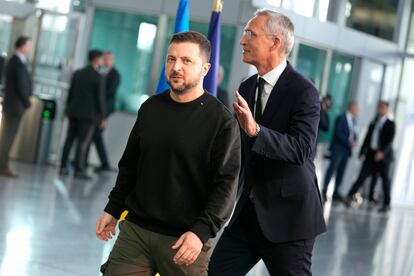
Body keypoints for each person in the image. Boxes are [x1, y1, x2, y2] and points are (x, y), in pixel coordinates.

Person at [95, 31, 241, 276]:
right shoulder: (151, 108)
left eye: (186, 61)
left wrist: (200, 232)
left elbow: (226, 186)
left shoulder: (222, 122)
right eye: (171, 59)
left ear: (205, 69)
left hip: (186, 239)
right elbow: (130, 165)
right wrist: (113, 208)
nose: (176, 67)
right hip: (136, 231)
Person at [209, 9, 326, 275]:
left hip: (289, 221)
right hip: (248, 215)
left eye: (250, 33)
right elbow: (240, 149)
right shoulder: (248, 87)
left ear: (275, 42)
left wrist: (256, 130)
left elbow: (302, 150)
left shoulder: (304, 91)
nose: (242, 40)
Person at [59, 49, 105, 180]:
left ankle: (63, 166)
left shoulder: (78, 73)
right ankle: (79, 170)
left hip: (73, 112)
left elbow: (71, 93)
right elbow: (100, 99)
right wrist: (102, 117)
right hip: (88, 115)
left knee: (69, 139)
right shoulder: (98, 77)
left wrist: (67, 109)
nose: (102, 62)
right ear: (96, 60)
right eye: (101, 59)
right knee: (83, 142)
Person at [345, 101, 396, 212]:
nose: (380, 109)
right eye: (379, 107)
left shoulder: (390, 124)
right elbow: (367, 139)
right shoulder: (373, 122)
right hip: (371, 155)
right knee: (362, 176)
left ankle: (386, 204)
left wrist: (382, 152)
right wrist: (362, 153)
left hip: (383, 157)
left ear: (387, 109)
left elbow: (390, 141)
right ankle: (349, 197)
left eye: (382, 108)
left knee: (385, 180)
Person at [0, 36, 33, 178]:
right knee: (7, 137)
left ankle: (3, 165)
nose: (30, 48)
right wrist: (27, 101)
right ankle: (3, 166)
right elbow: (21, 85)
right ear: (22, 46)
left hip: (14, 105)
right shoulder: (16, 62)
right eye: (29, 46)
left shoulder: (18, 62)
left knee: (7, 137)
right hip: (14, 106)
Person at [90, 51, 121, 172]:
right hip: (97, 108)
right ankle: (104, 164)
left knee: (96, 134)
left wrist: (103, 116)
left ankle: (105, 164)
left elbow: (109, 93)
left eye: (108, 59)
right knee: (95, 135)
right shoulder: (100, 72)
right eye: (104, 59)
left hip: (105, 109)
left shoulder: (115, 75)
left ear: (112, 61)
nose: (106, 61)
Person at [322, 101, 358, 202]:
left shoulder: (354, 120)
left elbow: (353, 133)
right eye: (357, 109)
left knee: (341, 171)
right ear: (352, 108)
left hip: (347, 150)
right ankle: (324, 191)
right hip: (338, 148)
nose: (358, 111)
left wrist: (355, 141)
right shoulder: (341, 118)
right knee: (332, 169)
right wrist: (349, 142)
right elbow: (338, 133)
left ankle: (336, 192)